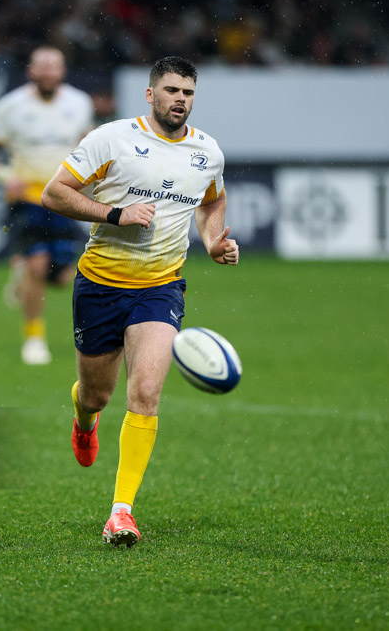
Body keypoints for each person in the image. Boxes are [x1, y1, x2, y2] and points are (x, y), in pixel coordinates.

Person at [41, 56, 239, 547]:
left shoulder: (207, 152)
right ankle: (84, 418)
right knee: (98, 395)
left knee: (145, 393)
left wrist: (213, 240)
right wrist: (114, 212)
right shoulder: (111, 140)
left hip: (160, 286)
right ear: (149, 95)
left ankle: (121, 512)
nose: (180, 100)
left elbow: (213, 199)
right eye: (171, 90)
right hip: (100, 284)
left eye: (188, 93)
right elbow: (54, 193)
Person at [0, 46, 94, 365]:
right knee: (38, 264)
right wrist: (5, 176)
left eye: (53, 66)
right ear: (30, 71)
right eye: (41, 66)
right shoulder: (10, 106)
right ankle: (33, 338)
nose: (47, 72)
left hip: (65, 198)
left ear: (62, 71)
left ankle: (22, 274)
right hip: (27, 198)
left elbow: (89, 148)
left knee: (62, 277)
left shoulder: (79, 103)